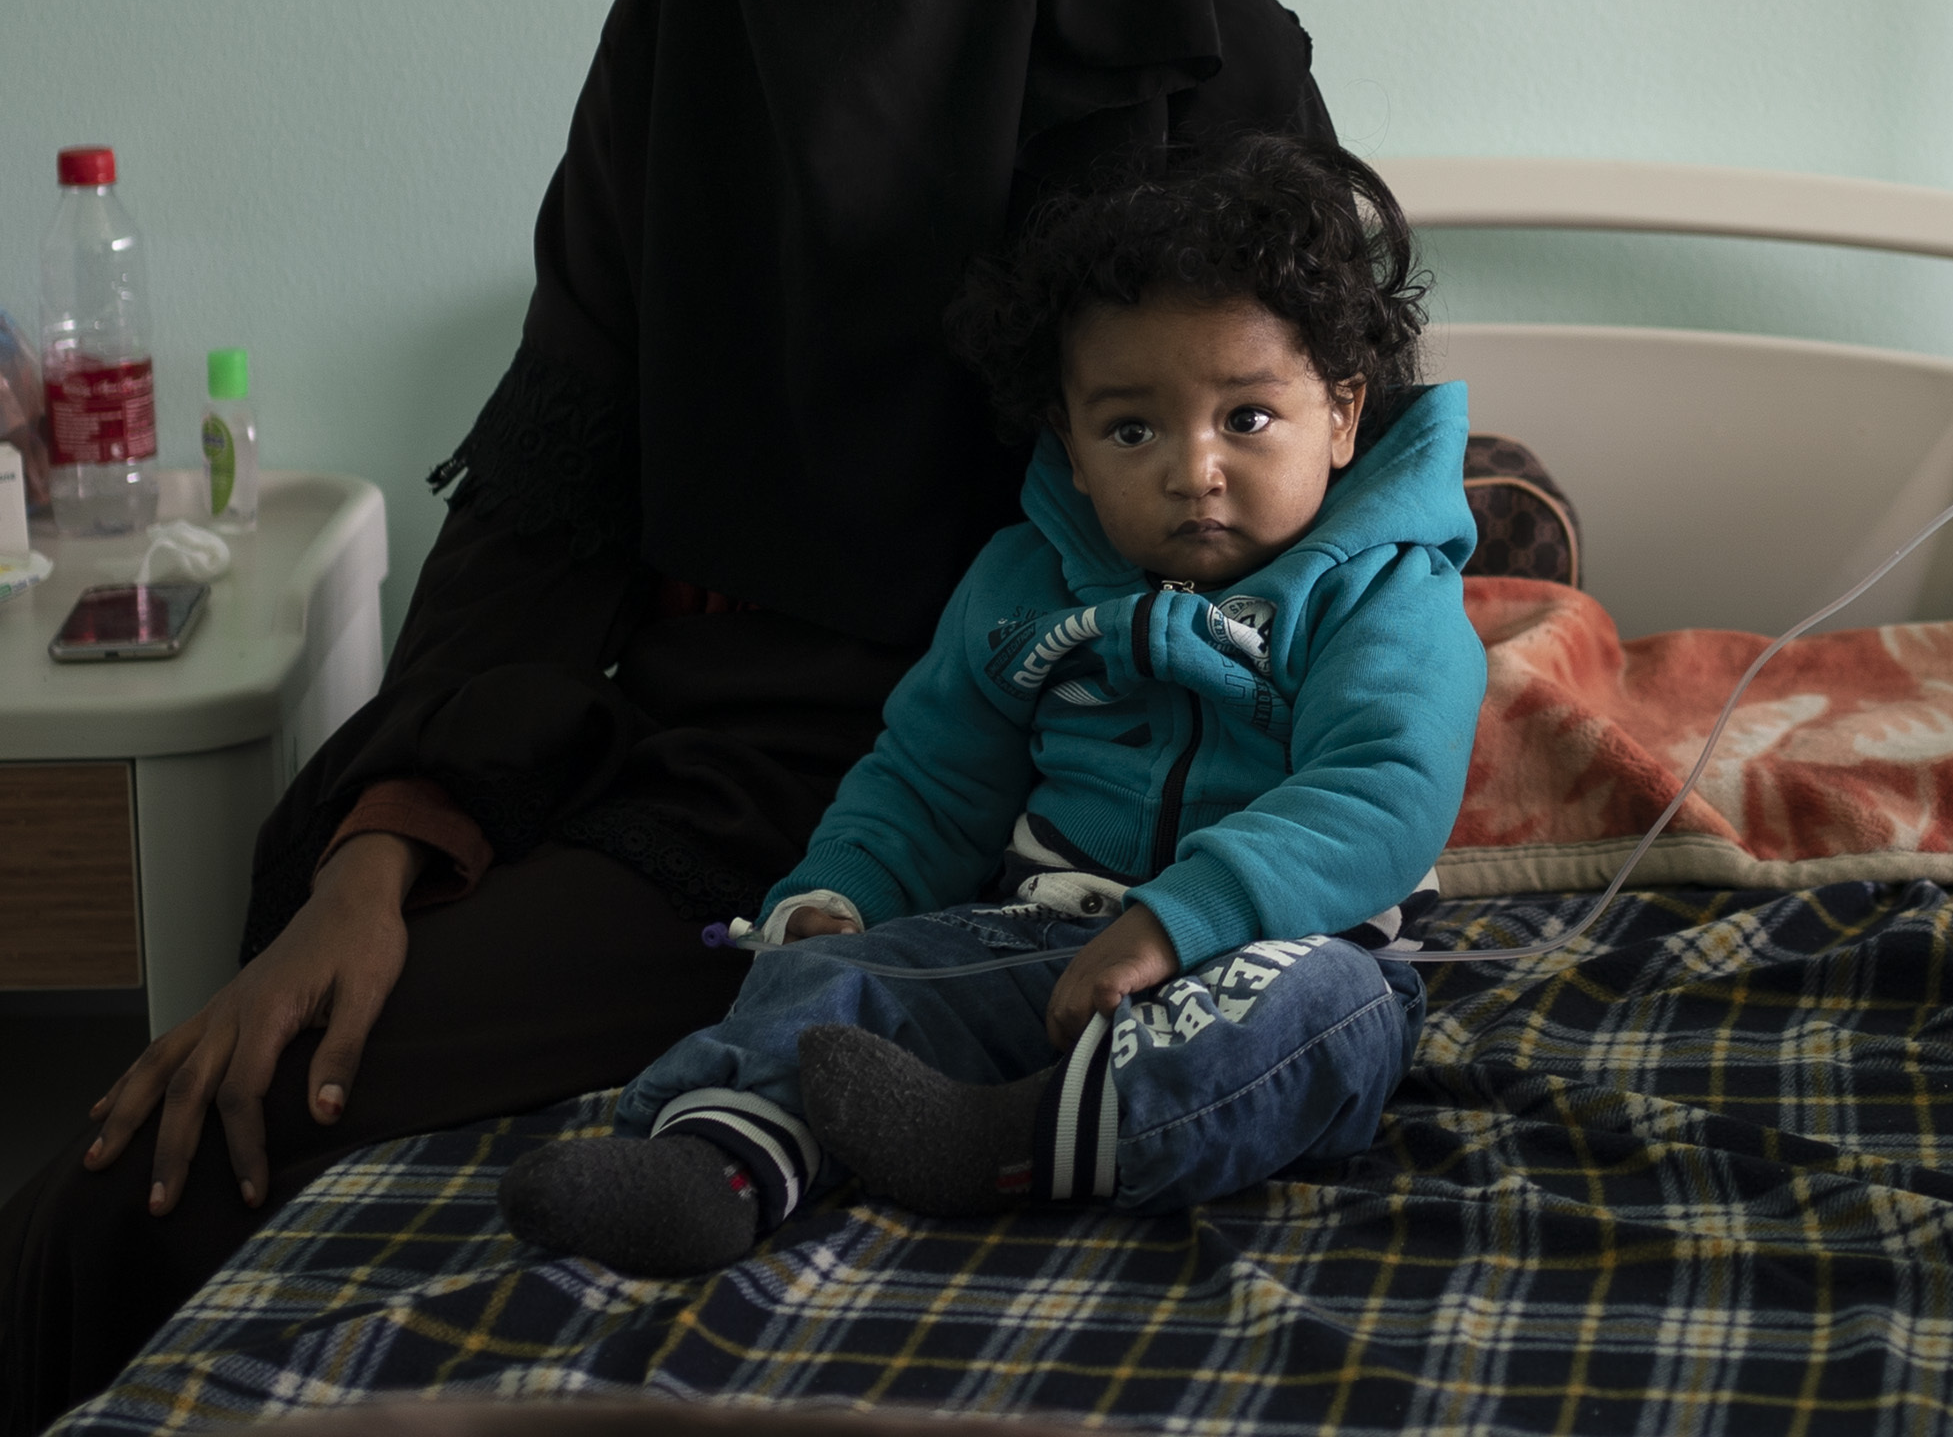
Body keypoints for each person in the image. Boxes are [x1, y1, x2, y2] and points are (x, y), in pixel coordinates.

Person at [0, 0, 1340, 1437]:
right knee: (106, 1210)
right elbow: (553, 480)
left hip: (1088, 791)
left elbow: (1333, 461)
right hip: (704, 777)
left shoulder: (1197, 66)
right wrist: (384, 851)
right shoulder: (673, 57)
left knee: (177, 1173)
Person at [497, 139, 1477, 1273]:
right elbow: (930, 775)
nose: (1192, 469)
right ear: (1067, 444)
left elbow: (1381, 786)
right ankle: (716, 1165)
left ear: (1344, 415)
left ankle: (1005, 1143)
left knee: (1335, 1024)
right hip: (1043, 946)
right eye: (1130, 429)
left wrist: (1173, 923)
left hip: (1267, 955)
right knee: (828, 982)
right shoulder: (1020, 587)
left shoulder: (1386, 590)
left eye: (1247, 418)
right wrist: (842, 891)